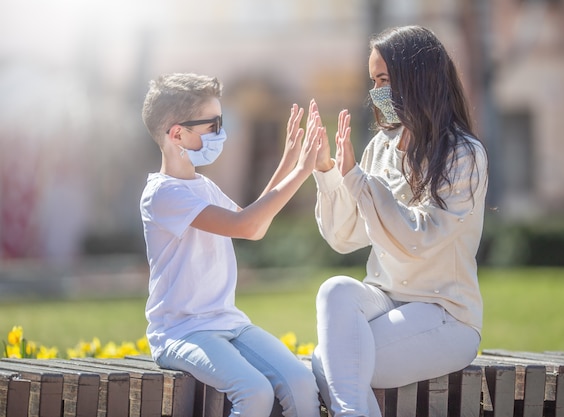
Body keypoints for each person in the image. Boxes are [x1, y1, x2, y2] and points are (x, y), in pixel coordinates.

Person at [309, 26, 489, 417]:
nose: (377, 92)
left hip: (444, 314)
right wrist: (328, 173)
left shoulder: (463, 154)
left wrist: (360, 180)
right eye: (373, 81)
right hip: (385, 299)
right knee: (335, 289)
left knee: (330, 363)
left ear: (417, 78)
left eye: (385, 79)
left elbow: (419, 240)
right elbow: (345, 236)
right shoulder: (381, 146)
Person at [140, 73, 323, 417]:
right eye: (214, 123)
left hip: (229, 323)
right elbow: (247, 226)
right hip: (182, 333)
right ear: (177, 133)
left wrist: (290, 161)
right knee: (253, 393)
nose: (222, 132)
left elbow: (253, 222)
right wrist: (301, 171)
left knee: (300, 381)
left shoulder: (203, 186)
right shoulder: (163, 194)